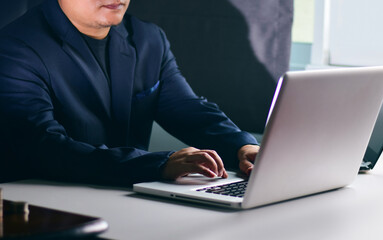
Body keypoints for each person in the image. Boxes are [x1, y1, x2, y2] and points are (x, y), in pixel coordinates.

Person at [0, 0, 260, 185]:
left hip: (127, 194)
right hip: (44, 201)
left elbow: (186, 107)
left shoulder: (148, 38)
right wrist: (157, 164)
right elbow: (44, 148)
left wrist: (242, 145)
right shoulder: (14, 48)